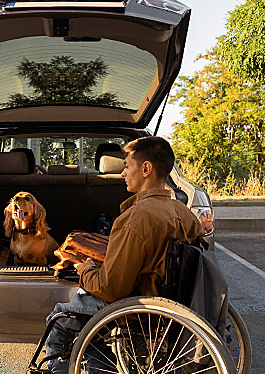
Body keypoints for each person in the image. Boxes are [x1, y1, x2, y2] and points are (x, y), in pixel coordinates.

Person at [45, 136, 205, 373]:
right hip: (172, 307)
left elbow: (111, 288)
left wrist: (86, 270)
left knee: (60, 318)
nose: (122, 174)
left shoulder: (135, 218)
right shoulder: (184, 213)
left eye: (127, 166)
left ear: (146, 169)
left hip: (137, 308)